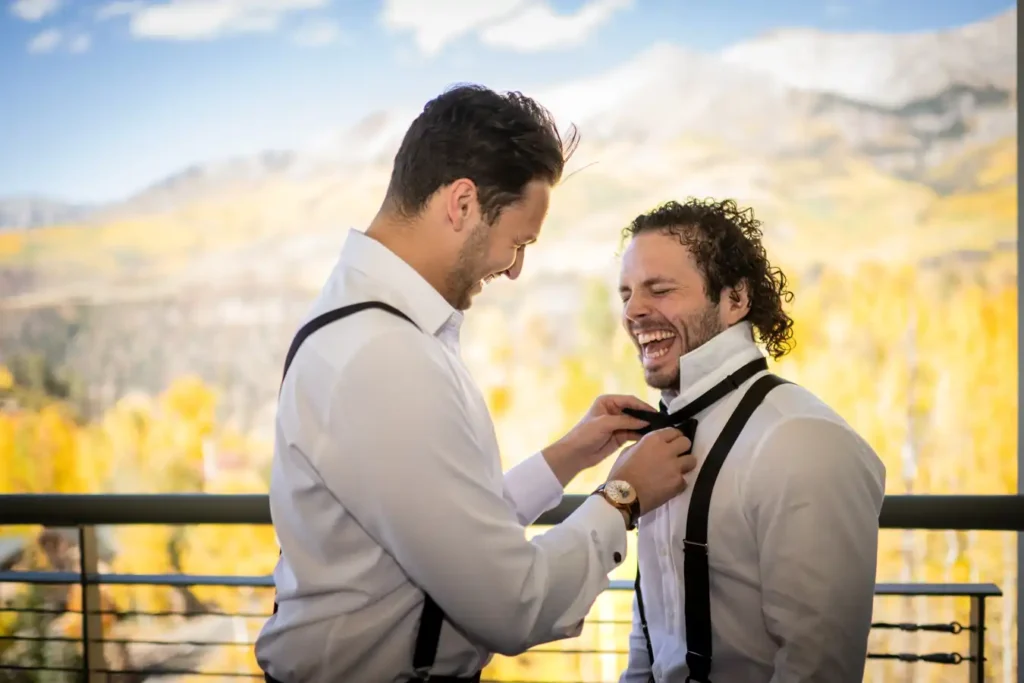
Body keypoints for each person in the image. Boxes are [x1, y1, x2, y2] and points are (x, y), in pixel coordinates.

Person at [254, 84, 699, 683]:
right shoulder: (383, 357)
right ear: (462, 203)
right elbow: (510, 604)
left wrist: (568, 456)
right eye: (517, 242)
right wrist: (622, 498)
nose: (515, 269)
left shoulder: (370, 328)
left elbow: (447, 530)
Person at [614, 198, 887, 683]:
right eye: (626, 294)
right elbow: (652, 632)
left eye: (660, 289)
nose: (633, 311)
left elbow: (818, 666)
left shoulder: (803, 441)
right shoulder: (656, 443)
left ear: (735, 299)